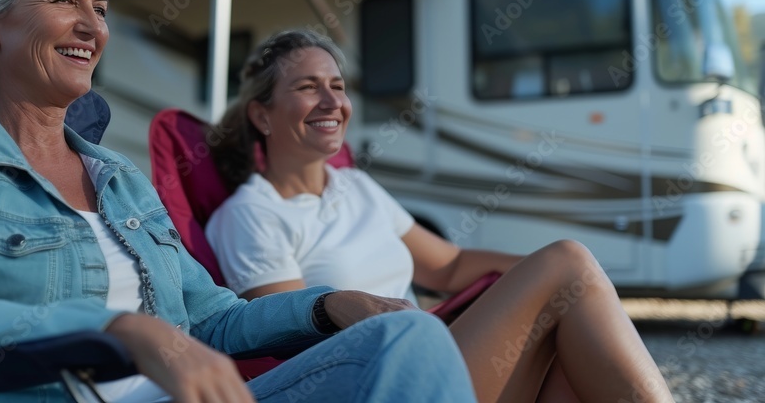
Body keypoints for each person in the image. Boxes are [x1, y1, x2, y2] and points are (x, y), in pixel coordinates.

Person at [0, 0, 478, 403]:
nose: (92, 26)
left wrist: (327, 304)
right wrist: (118, 331)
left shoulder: (119, 179)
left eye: (102, 9)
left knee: (407, 332)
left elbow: (213, 318)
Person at [205, 29, 675, 403]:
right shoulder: (251, 215)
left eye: (338, 87)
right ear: (262, 116)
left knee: (573, 332)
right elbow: (293, 344)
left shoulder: (354, 187)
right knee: (568, 261)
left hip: (427, 349)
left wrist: (555, 281)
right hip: (384, 379)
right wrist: (561, 273)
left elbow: (446, 266)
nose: (332, 102)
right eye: (308, 87)